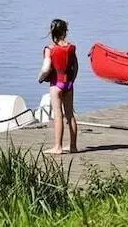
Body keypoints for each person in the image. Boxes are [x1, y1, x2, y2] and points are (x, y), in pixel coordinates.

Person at [37, 19, 79, 154]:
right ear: (65, 32)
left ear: (52, 32)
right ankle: (73, 146)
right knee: (70, 115)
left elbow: (46, 68)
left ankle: (58, 147)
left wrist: (40, 78)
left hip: (56, 84)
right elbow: (76, 66)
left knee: (58, 115)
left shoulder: (50, 49)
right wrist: (72, 80)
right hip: (69, 84)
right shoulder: (71, 48)